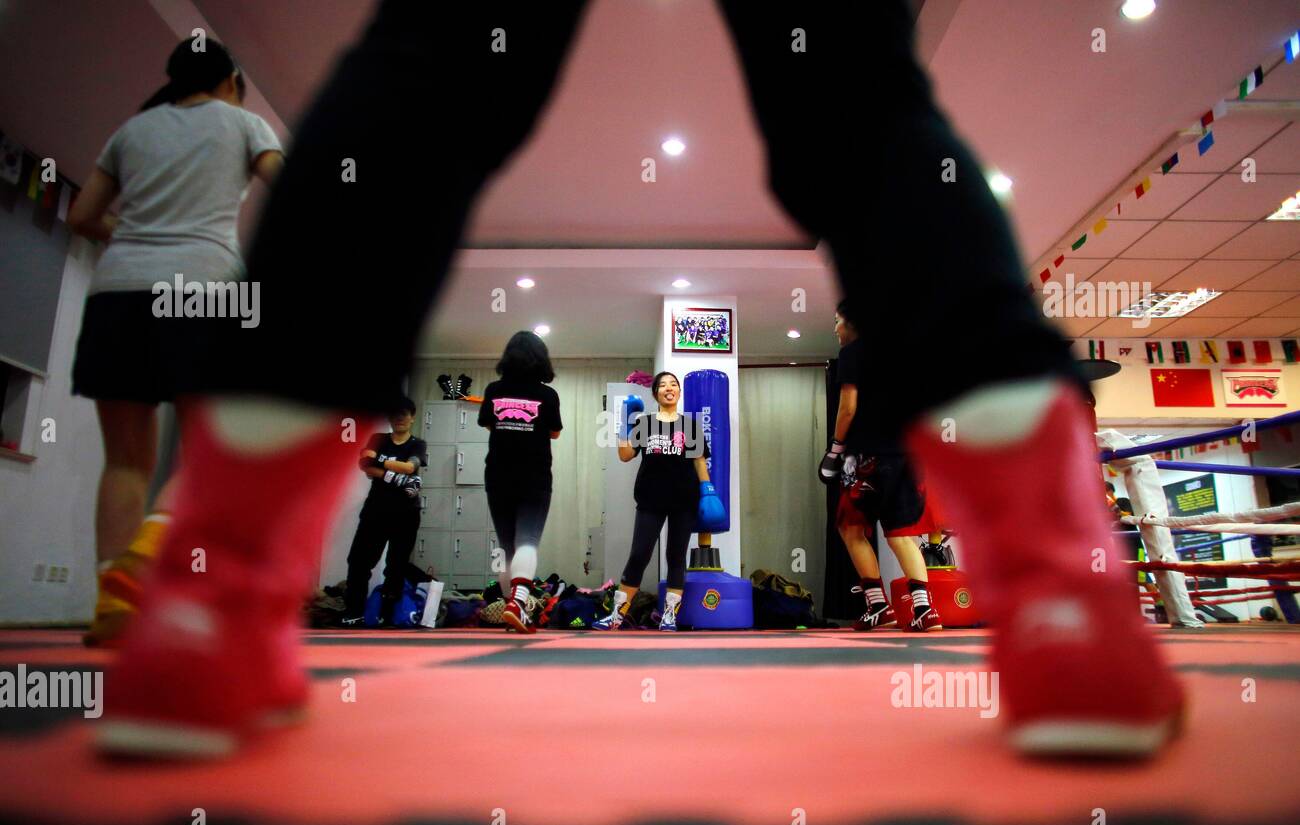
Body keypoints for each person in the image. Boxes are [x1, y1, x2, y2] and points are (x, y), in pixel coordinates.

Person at [98, 1, 1181, 759]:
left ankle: (212, 602)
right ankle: (1059, 604)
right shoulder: (617, 404)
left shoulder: (641, 408)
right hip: (621, 481)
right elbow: (610, 444)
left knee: (428, 70)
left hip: (629, 479)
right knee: (855, 91)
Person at [66, 37, 283, 647]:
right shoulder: (244, 124)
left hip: (119, 292)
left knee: (126, 459)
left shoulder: (132, 131)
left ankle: (114, 599)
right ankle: (147, 555)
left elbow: (82, 217)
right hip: (207, 290)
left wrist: (140, 237)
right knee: (208, 453)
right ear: (231, 81)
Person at [820, 301, 941, 632]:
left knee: (850, 527)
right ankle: (924, 611)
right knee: (901, 534)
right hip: (907, 453)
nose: (835, 329)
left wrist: (835, 450)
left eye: (838, 321)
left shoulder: (853, 353)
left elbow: (848, 407)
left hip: (867, 454)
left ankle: (877, 604)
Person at [594, 373, 725, 631]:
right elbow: (624, 455)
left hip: (684, 500)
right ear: (655, 394)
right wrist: (624, 422)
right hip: (650, 498)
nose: (669, 388)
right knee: (639, 555)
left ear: (678, 393)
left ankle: (669, 616)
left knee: (675, 557)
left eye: (673, 385)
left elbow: (699, 461)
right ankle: (617, 616)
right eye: (663, 385)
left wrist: (708, 492)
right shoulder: (645, 423)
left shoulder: (690, 426)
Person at [477, 331, 563, 633]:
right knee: (528, 540)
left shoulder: (493, 389)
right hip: (534, 475)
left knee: (507, 545)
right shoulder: (548, 395)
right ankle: (519, 603)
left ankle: (510, 606)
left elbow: (489, 424)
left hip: (499, 474)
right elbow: (554, 432)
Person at [341, 397, 427, 627]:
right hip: (376, 510)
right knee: (359, 561)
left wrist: (379, 460)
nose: (400, 418)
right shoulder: (378, 438)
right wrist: (397, 477)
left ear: (412, 417)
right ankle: (354, 612)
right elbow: (364, 466)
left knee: (396, 565)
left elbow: (410, 467)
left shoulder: (417, 444)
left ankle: (387, 615)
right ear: (389, 418)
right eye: (395, 414)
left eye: (405, 414)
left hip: (406, 513)